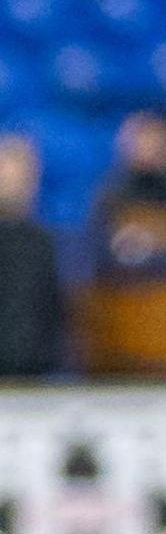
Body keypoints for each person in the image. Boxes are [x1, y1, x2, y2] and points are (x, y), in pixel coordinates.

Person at [85, 112, 166, 375]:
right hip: (118, 347)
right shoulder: (109, 201)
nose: (152, 148)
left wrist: (139, 248)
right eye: (143, 139)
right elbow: (99, 261)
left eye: (159, 139)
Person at [0, 136, 65, 378]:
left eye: (22, 177)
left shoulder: (41, 242)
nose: (13, 183)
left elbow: (52, 308)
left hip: (34, 373)